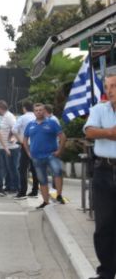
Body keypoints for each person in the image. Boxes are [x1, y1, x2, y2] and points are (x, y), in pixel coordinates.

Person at [84, 70, 116, 279]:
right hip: (104, 171)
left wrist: (103, 132)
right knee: (104, 224)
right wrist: (110, 133)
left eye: (113, 86)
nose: (109, 91)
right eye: (107, 87)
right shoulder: (99, 109)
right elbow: (89, 131)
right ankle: (106, 272)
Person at [22, 103, 66, 209]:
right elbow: (24, 140)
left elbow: (63, 137)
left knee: (58, 171)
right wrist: (28, 153)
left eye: (40, 110)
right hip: (36, 157)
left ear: (44, 111)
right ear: (34, 112)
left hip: (51, 154)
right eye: (36, 110)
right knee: (42, 180)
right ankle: (45, 201)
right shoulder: (30, 124)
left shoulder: (52, 123)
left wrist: (59, 150)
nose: (38, 112)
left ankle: (59, 195)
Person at [13, 100, 40, 199]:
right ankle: (35, 191)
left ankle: (22, 191)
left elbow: (14, 130)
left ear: (24, 108)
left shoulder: (23, 117)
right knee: (35, 169)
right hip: (36, 146)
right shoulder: (36, 117)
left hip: (26, 146)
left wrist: (21, 141)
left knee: (22, 168)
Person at [0, 100, 21, 194]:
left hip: (11, 147)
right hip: (5, 147)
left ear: (0, 108)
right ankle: (9, 185)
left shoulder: (9, 116)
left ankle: (16, 186)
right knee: (7, 168)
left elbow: (15, 128)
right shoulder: (5, 116)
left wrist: (11, 137)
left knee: (12, 168)